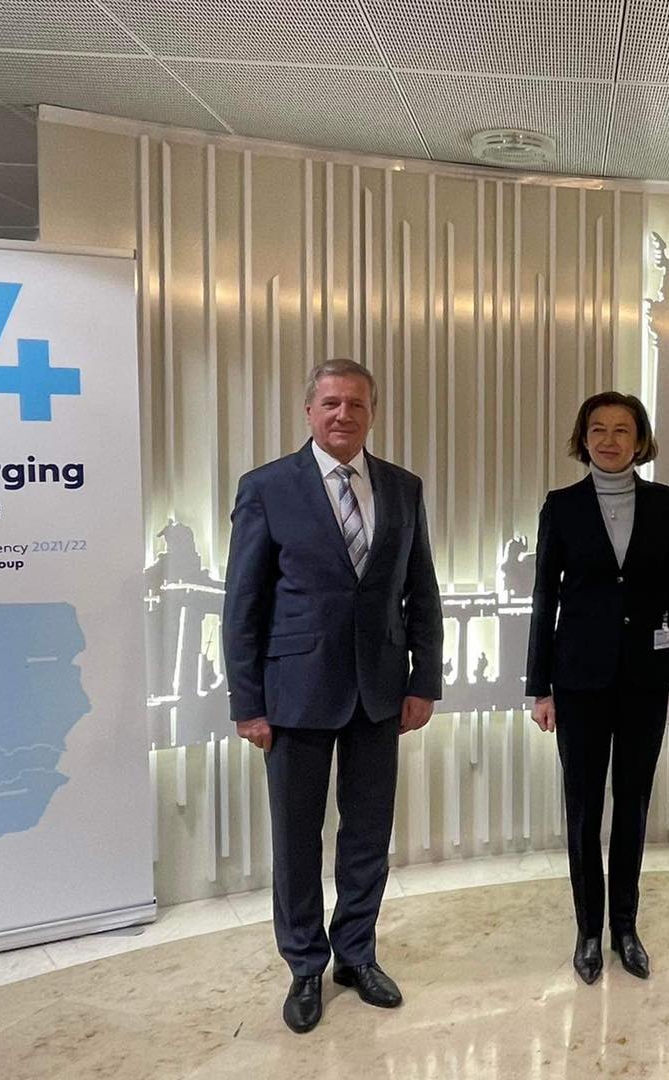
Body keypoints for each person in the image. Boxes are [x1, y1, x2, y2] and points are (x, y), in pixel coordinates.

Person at [222, 358, 443, 1033]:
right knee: (296, 839)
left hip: (380, 691)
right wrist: (248, 703)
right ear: (309, 411)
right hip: (293, 693)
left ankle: (356, 954)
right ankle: (303, 966)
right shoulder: (266, 488)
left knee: (368, 834)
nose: (344, 414)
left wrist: (424, 681)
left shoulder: (403, 488)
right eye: (331, 403)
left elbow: (422, 591)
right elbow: (243, 604)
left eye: (356, 403)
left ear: (372, 412)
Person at [526, 391, 669, 984]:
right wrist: (539, 687)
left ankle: (625, 926)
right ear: (583, 438)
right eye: (597, 429)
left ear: (639, 440)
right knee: (583, 809)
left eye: (622, 429)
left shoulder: (666, 504)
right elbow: (544, 598)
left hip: (647, 680)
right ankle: (588, 931)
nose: (609, 440)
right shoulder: (562, 506)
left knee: (633, 804)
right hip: (578, 680)